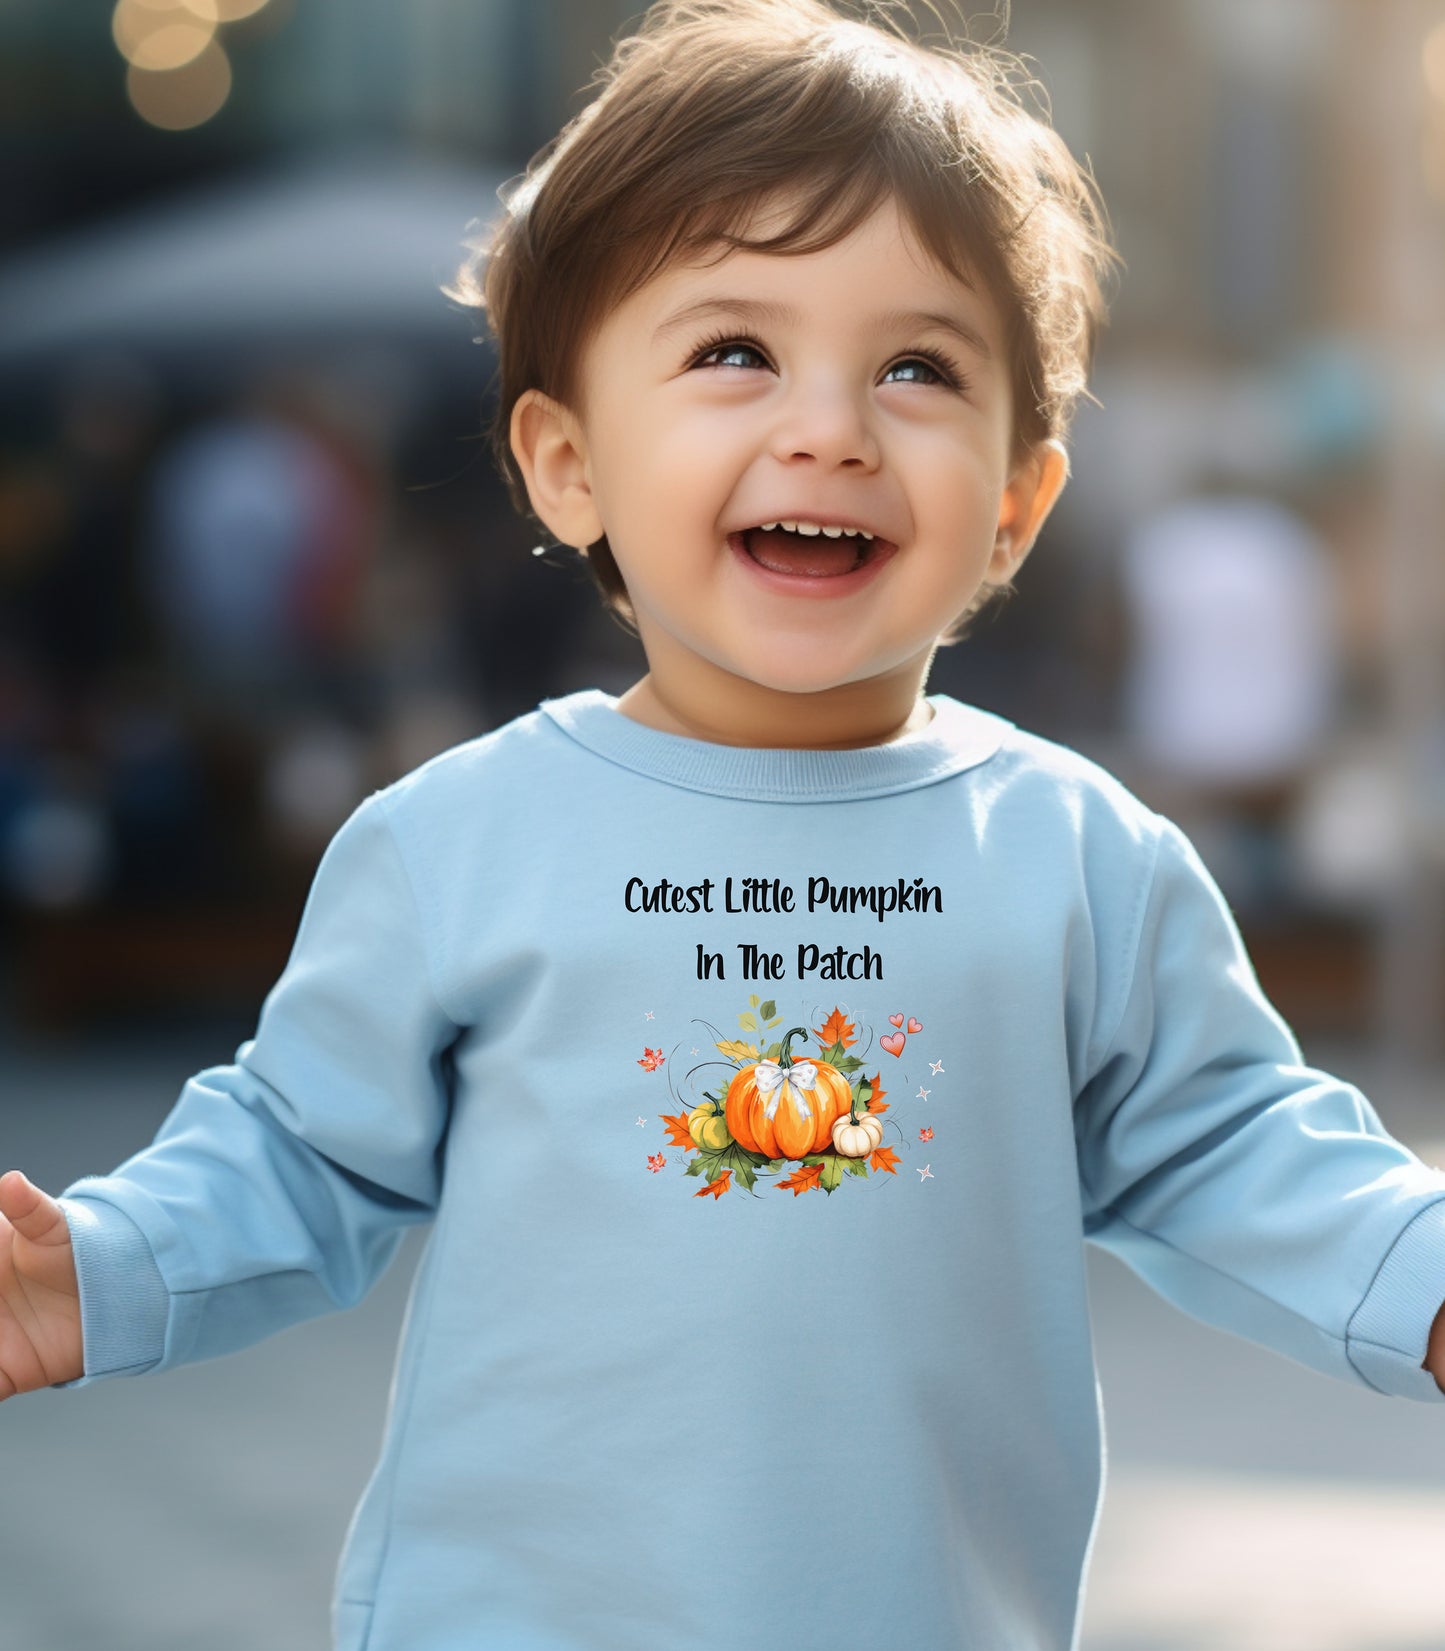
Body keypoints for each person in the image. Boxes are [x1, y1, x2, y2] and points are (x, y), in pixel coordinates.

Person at [4, 3, 1444, 1647]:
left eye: (916, 367)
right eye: (732, 352)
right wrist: (97, 1270)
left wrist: (1418, 1269)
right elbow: (294, 1148)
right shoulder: (460, 839)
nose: (828, 426)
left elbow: (1231, 1142)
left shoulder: (1075, 859)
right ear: (566, 465)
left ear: (1016, 501)